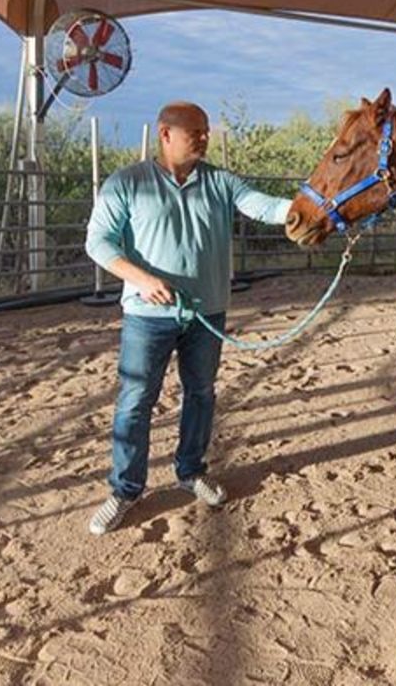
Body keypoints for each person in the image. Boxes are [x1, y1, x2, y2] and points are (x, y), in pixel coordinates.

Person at [84, 102, 292, 535]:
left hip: (206, 313)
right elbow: (98, 242)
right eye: (194, 132)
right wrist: (141, 279)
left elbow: (264, 206)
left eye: (205, 132)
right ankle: (125, 490)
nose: (203, 138)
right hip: (147, 315)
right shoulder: (127, 184)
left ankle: (191, 471)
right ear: (165, 134)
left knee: (201, 393)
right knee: (136, 402)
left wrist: (311, 209)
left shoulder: (219, 181)